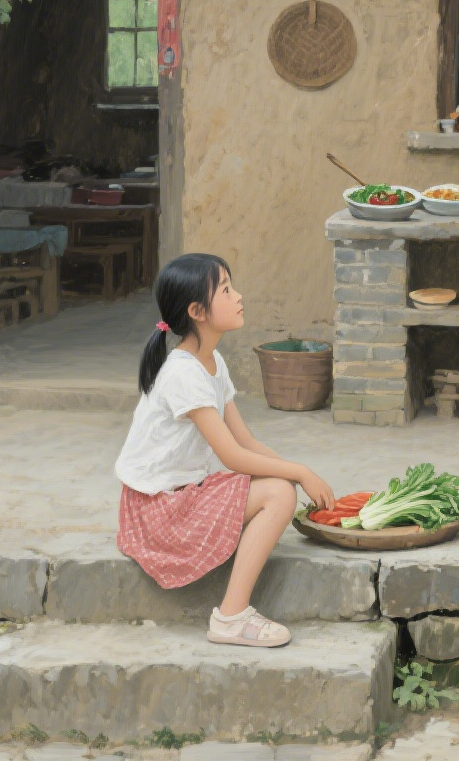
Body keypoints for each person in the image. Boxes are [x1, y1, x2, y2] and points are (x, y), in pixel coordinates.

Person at [115, 253, 336, 647]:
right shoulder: (183, 372)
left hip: (180, 497)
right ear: (198, 311)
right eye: (227, 290)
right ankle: (231, 618)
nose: (239, 296)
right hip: (158, 512)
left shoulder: (212, 360)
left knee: (275, 480)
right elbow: (233, 458)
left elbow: (246, 442)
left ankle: (233, 614)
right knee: (280, 491)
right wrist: (299, 473)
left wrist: (294, 469)